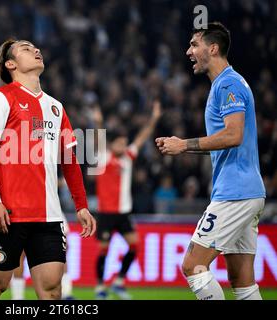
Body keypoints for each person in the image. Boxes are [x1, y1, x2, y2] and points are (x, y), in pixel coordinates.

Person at [0, 39, 96, 300]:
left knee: (52, 291)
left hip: (49, 217)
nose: (37, 50)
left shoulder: (55, 107)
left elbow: (70, 160)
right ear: (11, 64)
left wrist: (81, 205)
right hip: (9, 214)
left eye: (36, 47)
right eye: (26, 49)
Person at [156, 22, 265, 300]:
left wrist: (183, 145)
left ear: (213, 48)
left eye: (195, 44)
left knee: (193, 265)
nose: (188, 51)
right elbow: (226, 140)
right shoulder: (229, 82)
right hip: (248, 192)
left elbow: (233, 135)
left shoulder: (227, 84)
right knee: (241, 281)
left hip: (234, 193)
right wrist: (185, 147)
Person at [94, 101, 162, 299]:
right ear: (112, 144)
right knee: (103, 251)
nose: (123, 146)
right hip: (106, 213)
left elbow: (141, 138)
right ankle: (99, 287)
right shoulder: (104, 158)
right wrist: (98, 122)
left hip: (124, 213)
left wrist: (154, 118)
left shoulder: (128, 157)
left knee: (135, 245)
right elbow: (99, 139)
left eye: (125, 143)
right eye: (120, 143)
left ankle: (119, 282)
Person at [10, 215, 75, 300]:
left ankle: (66, 293)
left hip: (43, 212)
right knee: (20, 255)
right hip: (38, 213)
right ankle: (17, 297)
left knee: (60, 250)